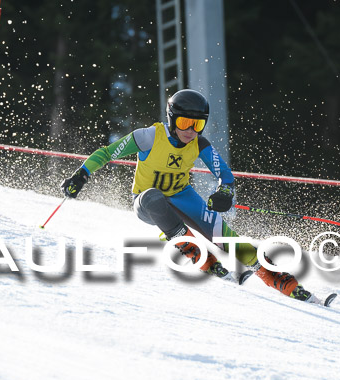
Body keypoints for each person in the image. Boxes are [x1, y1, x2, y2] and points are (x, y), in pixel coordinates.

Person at [60, 89, 312, 301]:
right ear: (172, 119)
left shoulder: (199, 144)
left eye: (198, 124)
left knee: (225, 236)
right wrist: (81, 175)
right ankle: (200, 256)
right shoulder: (148, 137)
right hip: (146, 203)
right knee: (153, 196)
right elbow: (106, 153)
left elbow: (224, 174)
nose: (191, 130)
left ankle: (281, 280)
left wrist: (224, 192)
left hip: (182, 197)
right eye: (184, 123)